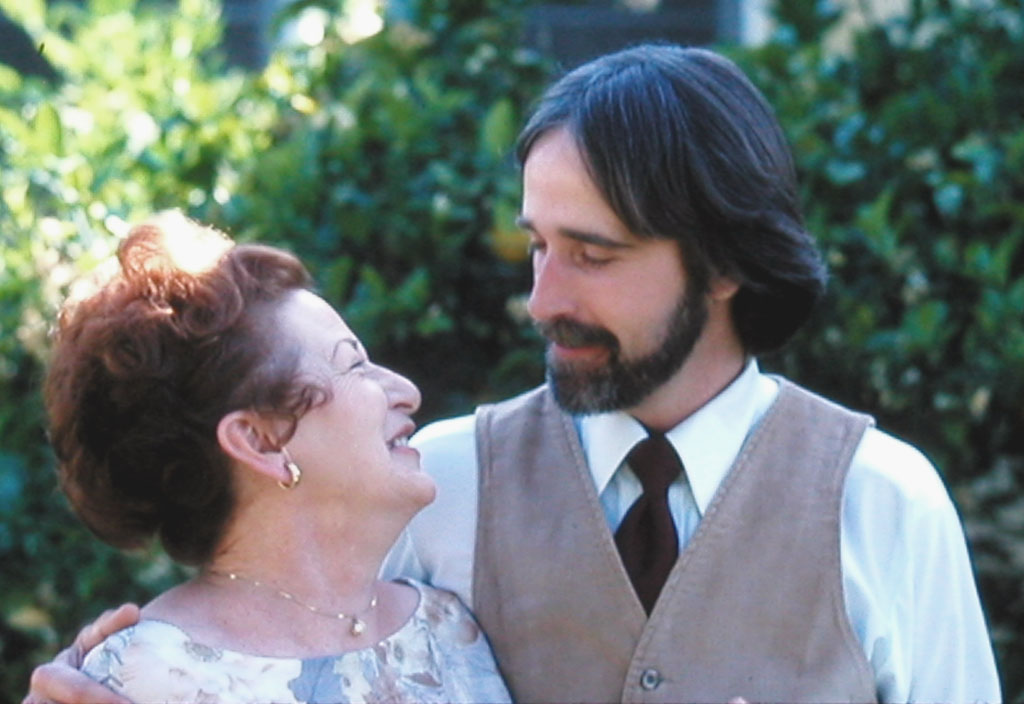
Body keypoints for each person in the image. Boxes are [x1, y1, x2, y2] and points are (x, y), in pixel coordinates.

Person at [26, 44, 1000, 703]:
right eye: (537, 245)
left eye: (592, 254)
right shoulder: (439, 489)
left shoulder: (883, 503)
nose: (541, 298)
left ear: (723, 265)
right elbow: (268, 631)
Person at [28, 211, 511, 704]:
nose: (406, 391)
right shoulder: (140, 679)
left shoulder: (447, 627)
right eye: (353, 364)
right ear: (260, 441)